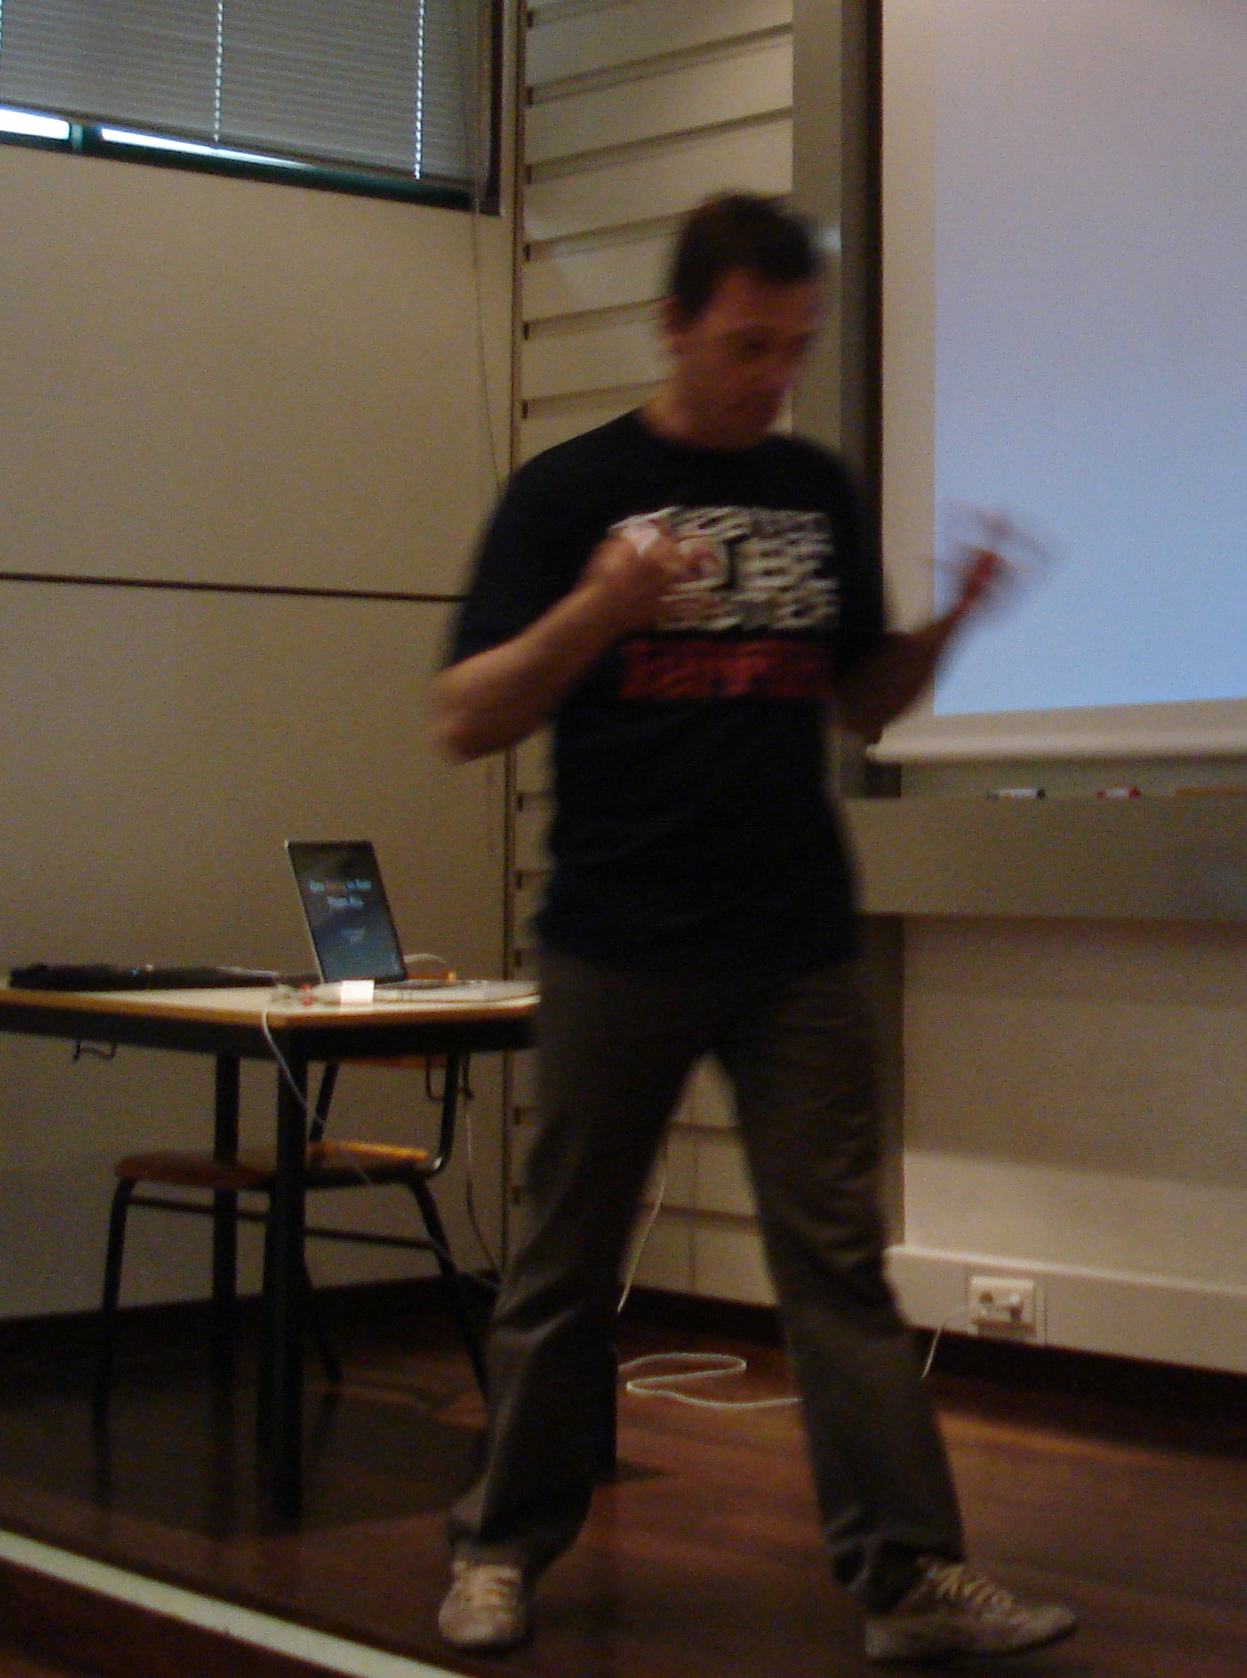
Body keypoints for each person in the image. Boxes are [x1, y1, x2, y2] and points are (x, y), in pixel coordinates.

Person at [429, 192, 1073, 1664]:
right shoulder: (570, 493)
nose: (774, 378)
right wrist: (602, 608)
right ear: (672, 327)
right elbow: (465, 716)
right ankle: (499, 1550)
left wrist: (951, 624)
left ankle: (909, 1581)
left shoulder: (813, 489)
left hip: (797, 944)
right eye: (746, 346)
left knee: (838, 1269)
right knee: (565, 1268)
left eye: (794, 348)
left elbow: (857, 702)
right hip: (617, 937)